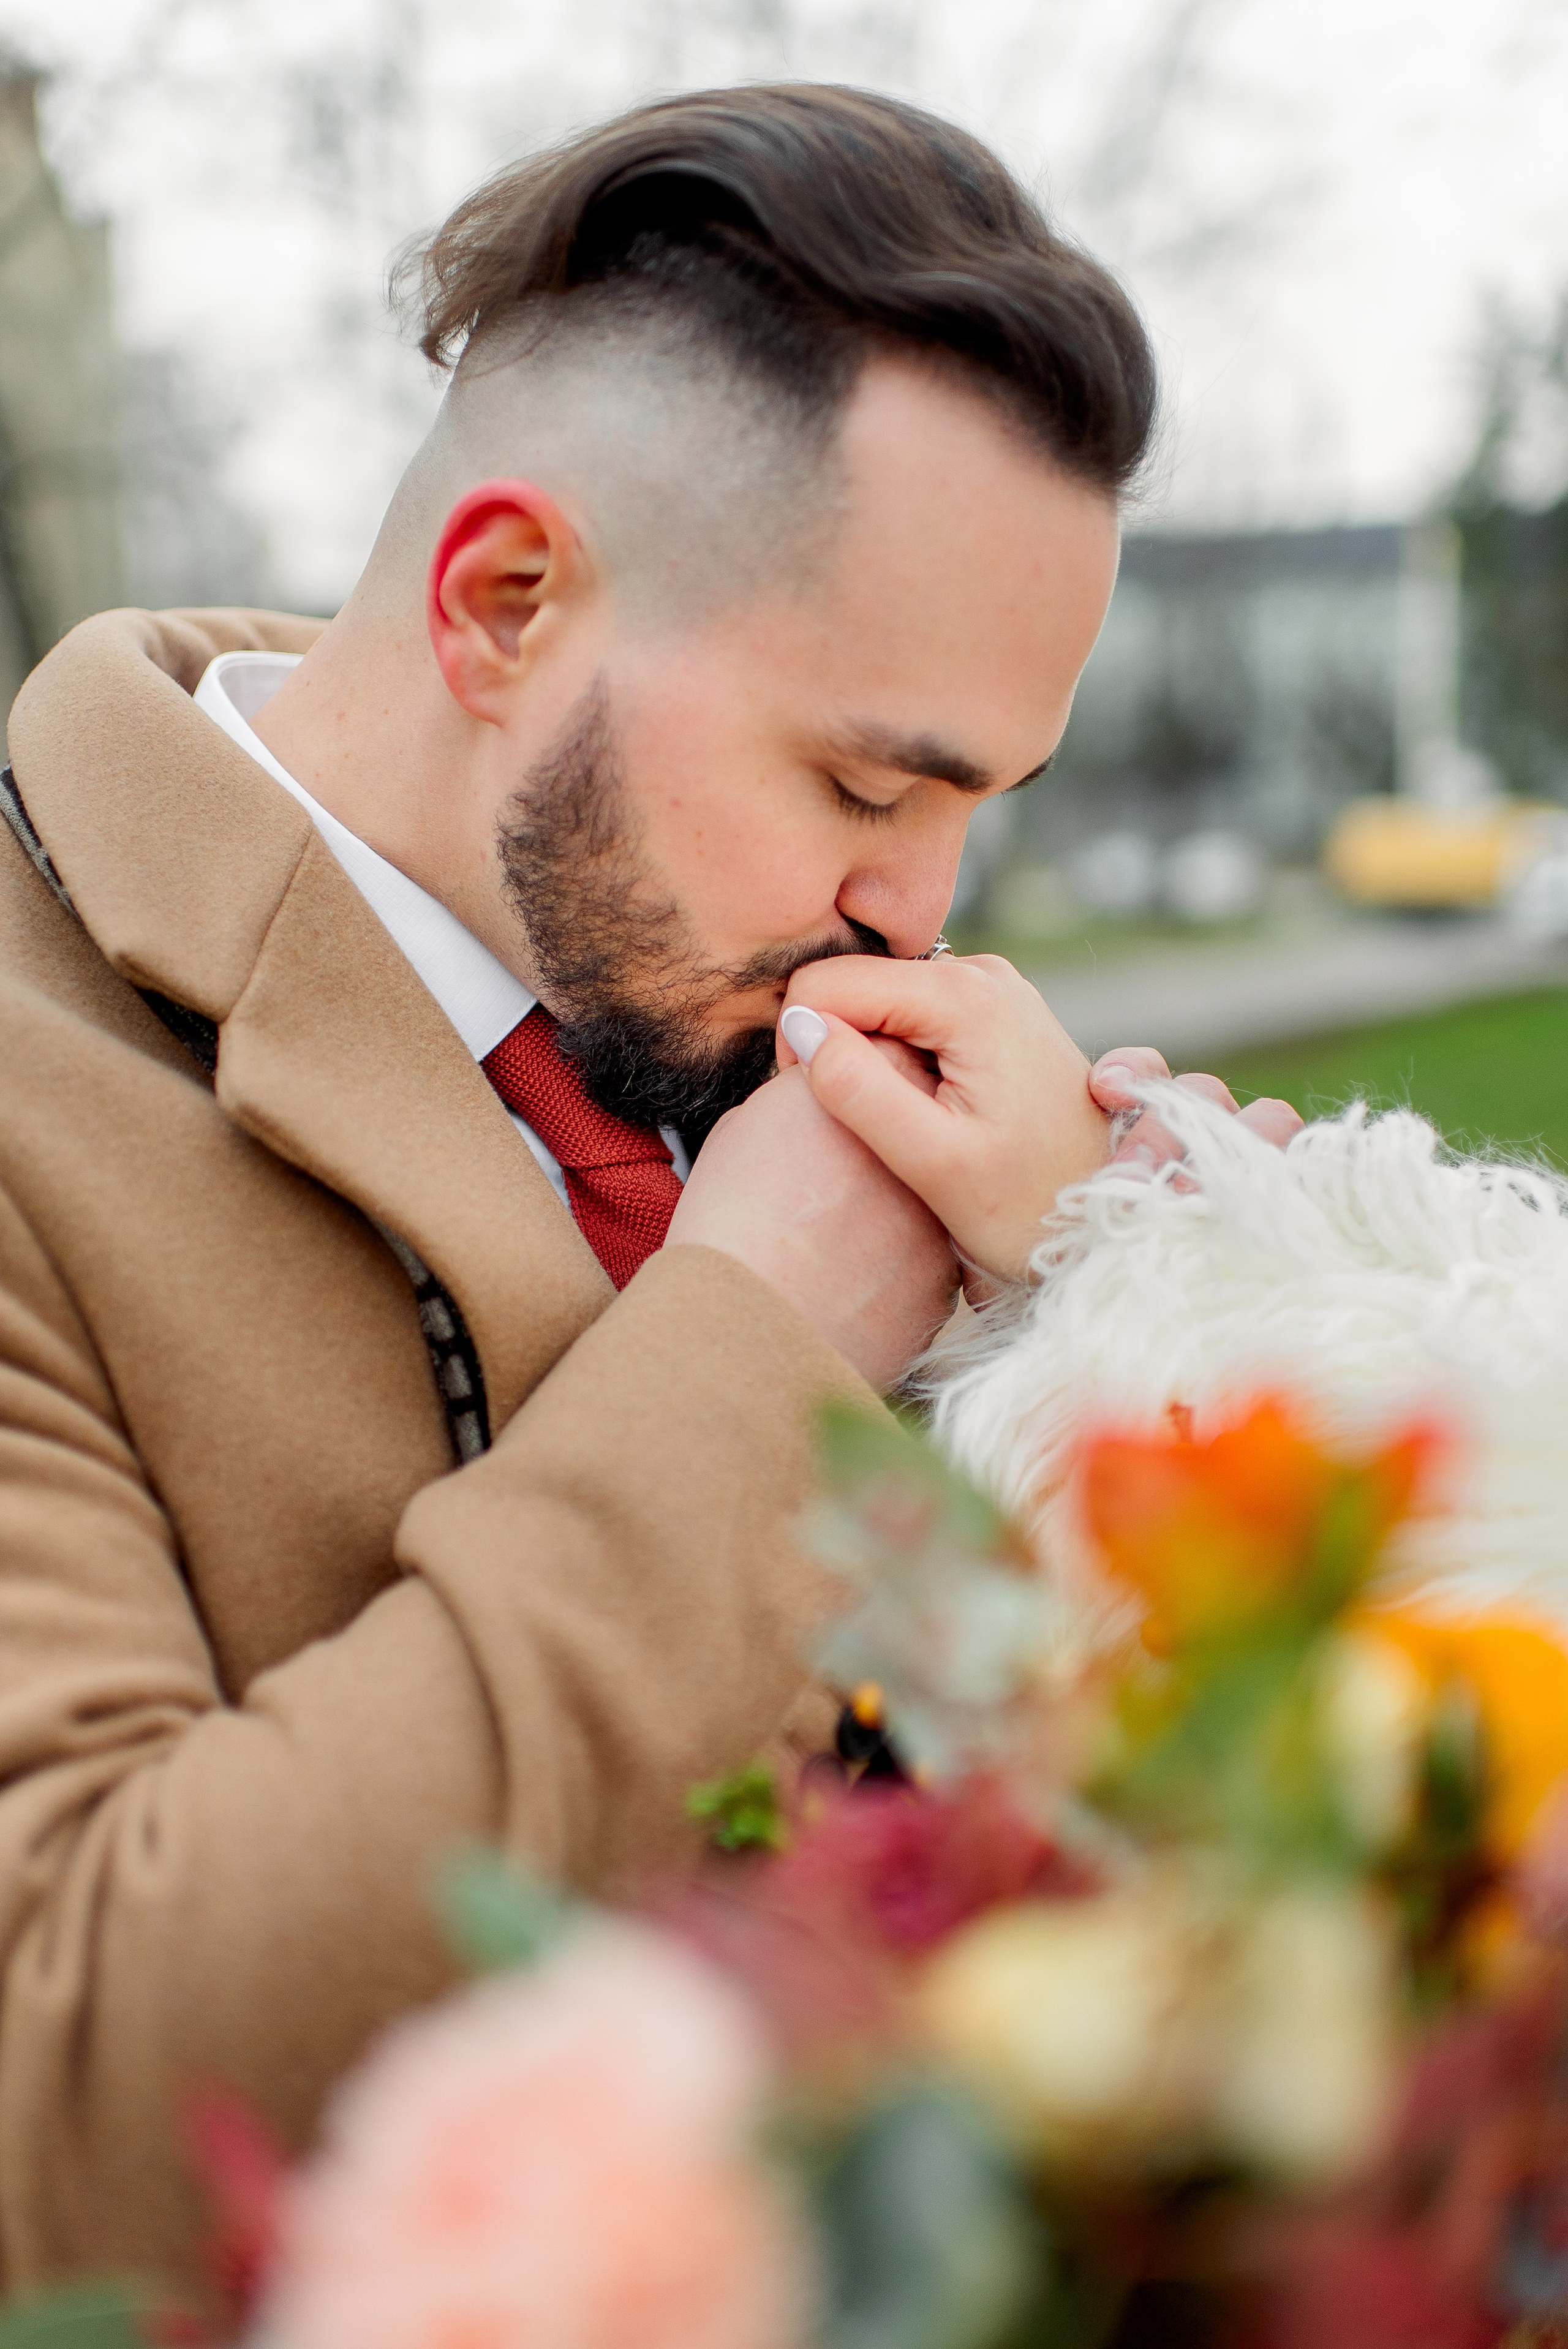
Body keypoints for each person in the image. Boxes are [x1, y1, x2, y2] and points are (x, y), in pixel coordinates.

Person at [0, 83, 1295, 2291]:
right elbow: (77, 2095)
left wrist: (1109, 1345)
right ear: (505, 601)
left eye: (985, 801)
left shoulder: (724, 987)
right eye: (872, 780)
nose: (925, 912)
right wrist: (765, 1348)